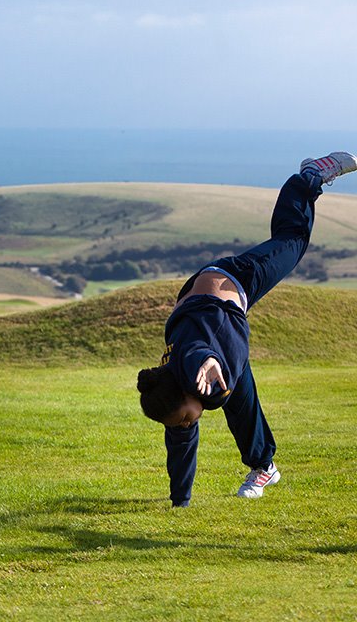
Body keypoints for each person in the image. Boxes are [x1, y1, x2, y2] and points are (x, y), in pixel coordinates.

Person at [136, 151, 356, 507]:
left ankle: (309, 177)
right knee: (235, 400)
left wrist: (207, 361)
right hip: (214, 319)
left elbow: (196, 352)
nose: (188, 423)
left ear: (185, 385)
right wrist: (180, 503)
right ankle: (263, 466)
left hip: (237, 278)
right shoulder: (174, 397)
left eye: (184, 417)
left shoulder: (192, 368)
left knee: (293, 239)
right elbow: (180, 443)